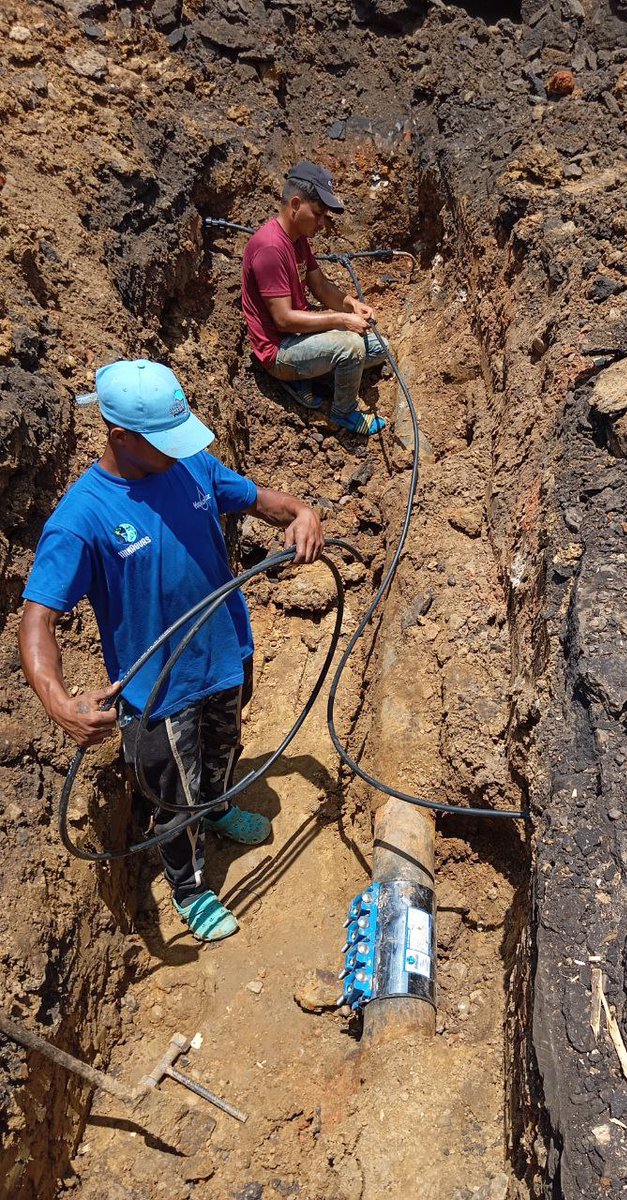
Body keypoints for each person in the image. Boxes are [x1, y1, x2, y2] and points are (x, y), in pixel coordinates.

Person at [19, 359, 324, 942]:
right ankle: (189, 888)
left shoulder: (192, 465)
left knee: (222, 749)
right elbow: (38, 621)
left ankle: (218, 807)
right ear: (120, 437)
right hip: (158, 692)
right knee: (172, 796)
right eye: (165, 440)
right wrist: (57, 701)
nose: (179, 450)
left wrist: (302, 513)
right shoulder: (81, 518)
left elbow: (260, 499)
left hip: (226, 654)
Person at [241, 160, 389, 437]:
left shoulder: (298, 239)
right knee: (350, 347)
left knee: (381, 348)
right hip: (280, 350)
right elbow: (283, 320)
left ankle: (309, 376)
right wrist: (341, 320)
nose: (322, 223)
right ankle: (343, 413)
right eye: (318, 214)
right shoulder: (270, 248)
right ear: (296, 204)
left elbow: (320, 286)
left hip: (300, 337)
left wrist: (351, 304)